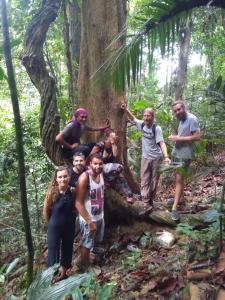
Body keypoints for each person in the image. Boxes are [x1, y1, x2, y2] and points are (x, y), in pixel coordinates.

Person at [121, 103, 170, 209]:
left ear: (153, 117)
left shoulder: (157, 128)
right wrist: (126, 109)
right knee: (144, 180)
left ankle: (151, 200)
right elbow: (133, 118)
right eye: (145, 116)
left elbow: (161, 143)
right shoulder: (142, 124)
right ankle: (145, 202)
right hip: (145, 157)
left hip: (156, 158)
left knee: (154, 181)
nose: (146, 118)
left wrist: (166, 157)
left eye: (148, 116)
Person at [168, 100, 200, 221]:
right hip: (176, 153)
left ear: (184, 108)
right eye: (175, 111)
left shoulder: (192, 119)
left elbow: (197, 136)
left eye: (179, 109)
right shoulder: (181, 120)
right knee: (177, 178)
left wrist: (178, 137)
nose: (177, 112)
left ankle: (175, 208)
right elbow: (183, 136)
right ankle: (180, 200)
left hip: (185, 155)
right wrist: (175, 138)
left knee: (179, 180)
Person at [43, 166, 76, 283]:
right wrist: (53, 223)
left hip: (69, 226)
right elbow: (46, 211)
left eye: (65, 176)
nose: (63, 179)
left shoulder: (72, 191)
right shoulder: (52, 193)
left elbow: (76, 206)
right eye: (60, 177)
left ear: (69, 177)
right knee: (53, 252)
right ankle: (52, 276)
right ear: (56, 179)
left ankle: (64, 273)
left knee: (67, 249)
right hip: (55, 227)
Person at [75, 154, 105, 269]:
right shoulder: (84, 178)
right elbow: (78, 203)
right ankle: (85, 268)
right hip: (88, 218)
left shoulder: (101, 174)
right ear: (90, 165)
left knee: (97, 241)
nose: (98, 166)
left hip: (100, 215)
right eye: (95, 164)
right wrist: (89, 222)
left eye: (100, 164)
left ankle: (95, 260)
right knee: (86, 245)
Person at [89, 129, 134, 203]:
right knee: (119, 167)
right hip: (97, 168)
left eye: (115, 136)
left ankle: (128, 195)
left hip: (106, 170)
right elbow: (90, 157)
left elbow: (115, 155)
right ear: (107, 137)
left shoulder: (113, 145)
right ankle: (105, 181)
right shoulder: (100, 145)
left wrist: (113, 143)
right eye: (112, 137)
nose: (114, 138)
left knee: (121, 178)